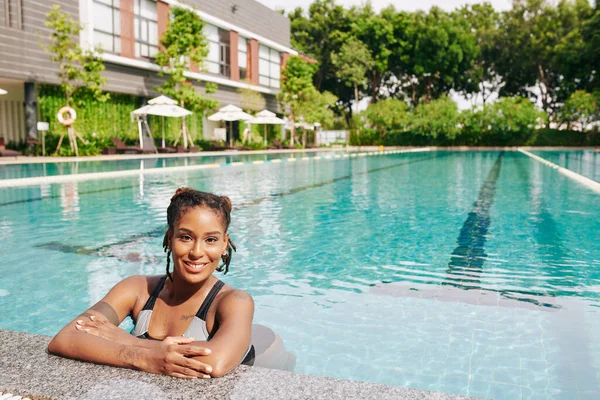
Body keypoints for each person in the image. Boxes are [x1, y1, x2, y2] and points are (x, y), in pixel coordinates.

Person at [48, 188, 294, 378]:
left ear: (224, 243)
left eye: (210, 240)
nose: (197, 252)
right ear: (169, 237)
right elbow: (66, 338)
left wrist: (125, 340)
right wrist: (143, 357)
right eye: (186, 237)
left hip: (266, 359)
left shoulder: (233, 301)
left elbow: (214, 363)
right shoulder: (137, 290)